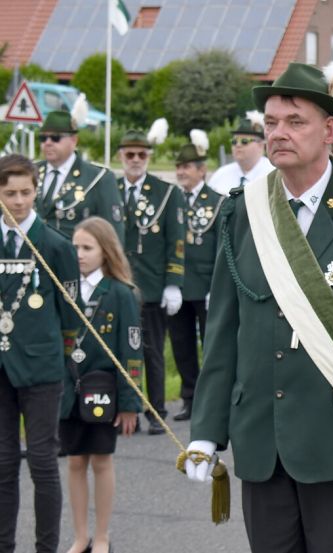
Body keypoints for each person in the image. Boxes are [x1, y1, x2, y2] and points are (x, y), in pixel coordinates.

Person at [185, 59, 333, 552]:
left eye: (295, 122)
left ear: (329, 130)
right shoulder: (242, 209)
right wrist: (206, 429)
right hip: (261, 440)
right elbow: (223, 330)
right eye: (271, 123)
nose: (278, 133)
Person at [0, 153, 79, 553]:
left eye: (25, 192)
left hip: (42, 369)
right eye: (9, 193)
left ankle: (46, 547)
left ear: (36, 192)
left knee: (43, 463)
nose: (17, 201)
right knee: (2, 463)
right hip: (1, 366)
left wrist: (65, 364)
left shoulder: (55, 245)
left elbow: (71, 316)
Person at [62, 216, 142, 553]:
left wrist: (129, 403)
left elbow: (131, 351)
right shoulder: (63, 288)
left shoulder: (120, 293)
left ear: (105, 251)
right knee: (75, 461)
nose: (79, 254)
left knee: (101, 461)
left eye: (87, 248)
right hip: (68, 392)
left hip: (103, 395)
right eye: (75, 247)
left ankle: (103, 534)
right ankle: (81, 535)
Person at [117, 128, 186, 433]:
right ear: (121, 156)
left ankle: (156, 411)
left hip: (153, 286)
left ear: (149, 157)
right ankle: (122, 410)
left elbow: (177, 240)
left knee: (152, 351)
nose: (135, 160)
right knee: (118, 350)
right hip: (117, 285)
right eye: (129, 154)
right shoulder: (110, 189)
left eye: (141, 154)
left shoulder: (166, 192)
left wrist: (173, 282)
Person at [166, 142, 223, 423]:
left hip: (206, 285)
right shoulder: (171, 199)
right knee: (182, 345)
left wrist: (217, 286)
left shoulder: (217, 202)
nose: (181, 172)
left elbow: (221, 247)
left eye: (187, 166)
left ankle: (214, 400)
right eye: (178, 167)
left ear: (202, 170)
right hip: (179, 285)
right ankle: (189, 398)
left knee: (213, 347)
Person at [35, 111, 124, 239]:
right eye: (43, 138)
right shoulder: (31, 171)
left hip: (76, 256)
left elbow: (113, 233)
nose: (48, 143)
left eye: (55, 138)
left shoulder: (98, 177)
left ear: (74, 140)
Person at [207, 112, 275, 196]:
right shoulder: (220, 174)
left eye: (244, 141)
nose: (238, 145)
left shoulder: (273, 174)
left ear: (260, 145)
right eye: (234, 141)